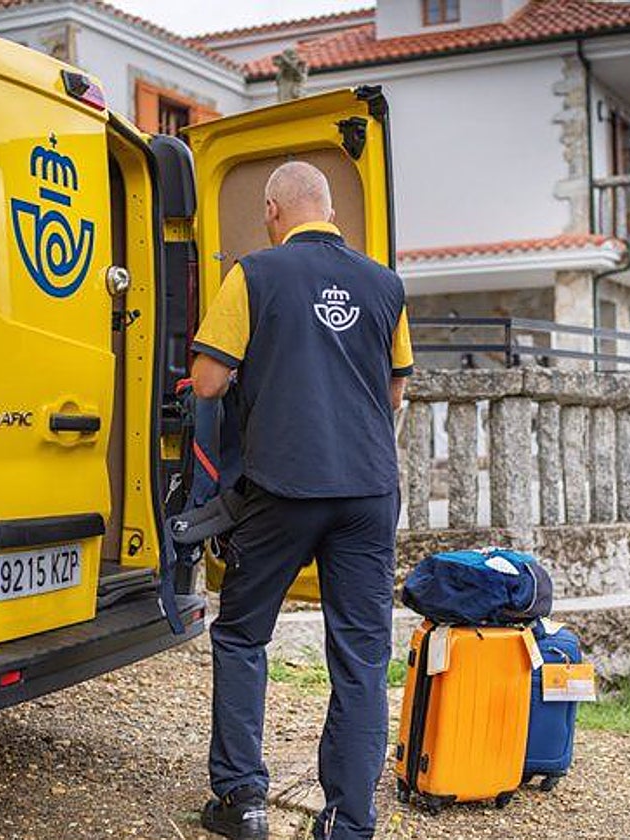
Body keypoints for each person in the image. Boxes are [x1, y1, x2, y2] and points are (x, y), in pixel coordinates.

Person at [190, 161, 413, 840]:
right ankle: (348, 823)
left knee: (241, 634)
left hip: (285, 486)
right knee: (360, 658)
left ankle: (242, 801)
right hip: (370, 490)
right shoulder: (385, 284)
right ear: (331, 213)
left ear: (272, 210)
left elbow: (205, 381)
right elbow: (396, 391)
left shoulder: (254, 274)